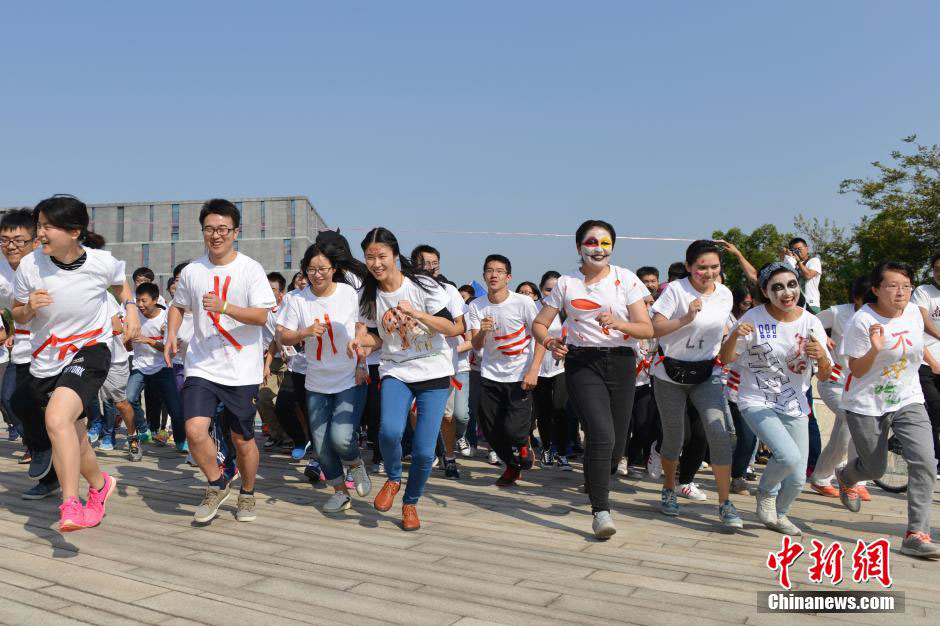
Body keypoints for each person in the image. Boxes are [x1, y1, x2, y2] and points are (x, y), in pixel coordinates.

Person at [13, 195, 140, 532]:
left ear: (73, 231)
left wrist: (129, 308)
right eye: (38, 226)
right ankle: (100, 486)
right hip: (46, 360)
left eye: (46, 226)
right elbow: (16, 313)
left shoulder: (101, 262)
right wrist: (29, 307)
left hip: (90, 350)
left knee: (56, 419)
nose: (39, 234)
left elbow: (120, 284)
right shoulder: (30, 266)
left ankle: (70, 503)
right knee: (73, 435)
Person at [533, 219, 653, 539]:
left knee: (614, 447)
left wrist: (619, 323)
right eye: (591, 242)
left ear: (612, 247)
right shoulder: (566, 284)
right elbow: (539, 324)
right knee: (601, 435)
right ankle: (601, 510)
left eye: (604, 243)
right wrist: (549, 341)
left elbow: (646, 329)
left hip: (622, 362)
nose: (597, 248)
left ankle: (594, 476)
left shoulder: (625, 279)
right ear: (578, 247)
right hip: (581, 362)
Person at [164, 199, 276, 524]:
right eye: (209, 229)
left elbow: (261, 315)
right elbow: (177, 305)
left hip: (241, 369)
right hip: (202, 365)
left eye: (223, 229)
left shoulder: (250, 269)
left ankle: (248, 493)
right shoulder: (192, 271)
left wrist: (225, 308)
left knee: (243, 440)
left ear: (235, 232)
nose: (216, 235)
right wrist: (172, 334)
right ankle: (216, 483)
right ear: (203, 231)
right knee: (194, 430)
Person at [352, 227, 460, 531]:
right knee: (388, 432)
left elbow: (451, 329)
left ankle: (410, 502)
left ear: (395, 256)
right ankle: (394, 478)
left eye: (381, 256)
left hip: (434, 371)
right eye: (370, 257)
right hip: (396, 370)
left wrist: (419, 314)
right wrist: (361, 342)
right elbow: (374, 336)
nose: (375, 263)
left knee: (425, 451)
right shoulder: (367, 293)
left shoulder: (423, 285)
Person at [836, 261, 940, 558]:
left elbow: (917, 342)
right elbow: (855, 369)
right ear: (876, 290)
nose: (901, 292)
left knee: (925, 461)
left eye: (906, 286)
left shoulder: (912, 314)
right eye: (892, 286)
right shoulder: (863, 321)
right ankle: (846, 476)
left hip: (907, 397)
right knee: (875, 467)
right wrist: (875, 348)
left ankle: (916, 533)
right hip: (866, 403)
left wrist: (933, 363)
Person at [719, 262, 831, 536]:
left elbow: (826, 375)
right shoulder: (752, 319)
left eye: (792, 285)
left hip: (795, 404)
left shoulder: (811, 321)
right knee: (788, 455)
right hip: (756, 399)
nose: (786, 292)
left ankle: (779, 515)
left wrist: (822, 357)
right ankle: (766, 494)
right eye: (777, 287)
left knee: (796, 478)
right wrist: (734, 335)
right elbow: (725, 358)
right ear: (766, 292)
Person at [650, 240, 742, 528]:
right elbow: (655, 328)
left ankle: (725, 503)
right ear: (689, 266)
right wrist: (686, 317)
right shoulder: (676, 291)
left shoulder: (725, 294)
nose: (709, 272)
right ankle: (669, 488)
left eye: (714, 267)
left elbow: (724, 330)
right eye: (702, 267)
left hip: (706, 373)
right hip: (669, 373)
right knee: (675, 437)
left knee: (720, 433)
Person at [277, 243, 370, 513]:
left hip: (348, 375)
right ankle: (340, 492)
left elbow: (361, 327)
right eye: (311, 270)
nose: (317, 275)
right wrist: (304, 332)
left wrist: (361, 359)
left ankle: (355, 463)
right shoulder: (296, 299)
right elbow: (283, 335)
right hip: (315, 378)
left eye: (323, 269)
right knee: (320, 442)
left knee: (341, 437)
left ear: (334, 269)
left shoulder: (348, 294)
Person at [468, 255, 544, 486]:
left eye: (499, 271)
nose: (494, 275)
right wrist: (482, 331)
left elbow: (540, 337)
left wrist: (534, 370)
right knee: (490, 430)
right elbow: (477, 344)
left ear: (508, 277)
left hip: (519, 374)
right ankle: (512, 466)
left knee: (513, 429)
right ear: (484, 276)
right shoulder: (476, 306)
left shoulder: (523, 303)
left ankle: (523, 445)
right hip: (490, 373)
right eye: (489, 271)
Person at [411, 244, 471, 479]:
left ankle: (449, 456)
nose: (432, 267)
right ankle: (426, 453)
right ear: (415, 265)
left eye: (435, 263)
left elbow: (459, 325)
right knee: (415, 413)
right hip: (413, 362)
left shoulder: (449, 291)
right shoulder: (406, 288)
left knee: (447, 416)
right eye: (426, 263)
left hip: (444, 363)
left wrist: (439, 327)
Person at [808, 276, 871, 499]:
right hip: (833, 381)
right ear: (856, 297)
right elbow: (808, 322)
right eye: (868, 299)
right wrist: (824, 336)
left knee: (842, 435)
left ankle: (822, 478)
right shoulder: (838, 312)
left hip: (860, 386)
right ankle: (852, 478)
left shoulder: (879, 317)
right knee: (856, 423)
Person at [130, 282, 186, 452]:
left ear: (155, 300)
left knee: (175, 409)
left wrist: (149, 340)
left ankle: (181, 441)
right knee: (129, 397)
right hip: (140, 366)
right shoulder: (134, 318)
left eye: (144, 301)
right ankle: (144, 429)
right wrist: (126, 336)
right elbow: (128, 347)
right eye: (138, 300)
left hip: (163, 366)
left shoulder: (167, 317)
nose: (140, 305)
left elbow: (172, 349)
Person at [533, 270, 571, 470]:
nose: (552, 293)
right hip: (538, 367)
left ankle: (563, 453)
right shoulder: (534, 308)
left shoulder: (568, 310)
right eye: (548, 289)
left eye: (557, 290)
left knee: (561, 409)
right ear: (541, 289)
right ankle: (547, 447)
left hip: (562, 368)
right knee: (544, 411)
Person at [912, 252, 940, 468]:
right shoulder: (923, 292)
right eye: (936, 269)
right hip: (926, 362)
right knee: (935, 408)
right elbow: (922, 321)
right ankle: (933, 460)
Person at [782, 237, 822, 314]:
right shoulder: (792, 264)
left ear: (807, 249)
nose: (797, 252)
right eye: (794, 250)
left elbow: (808, 275)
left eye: (799, 249)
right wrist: (787, 257)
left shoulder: (814, 261)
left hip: (811, 303)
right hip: (795, 304)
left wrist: (798, 262)